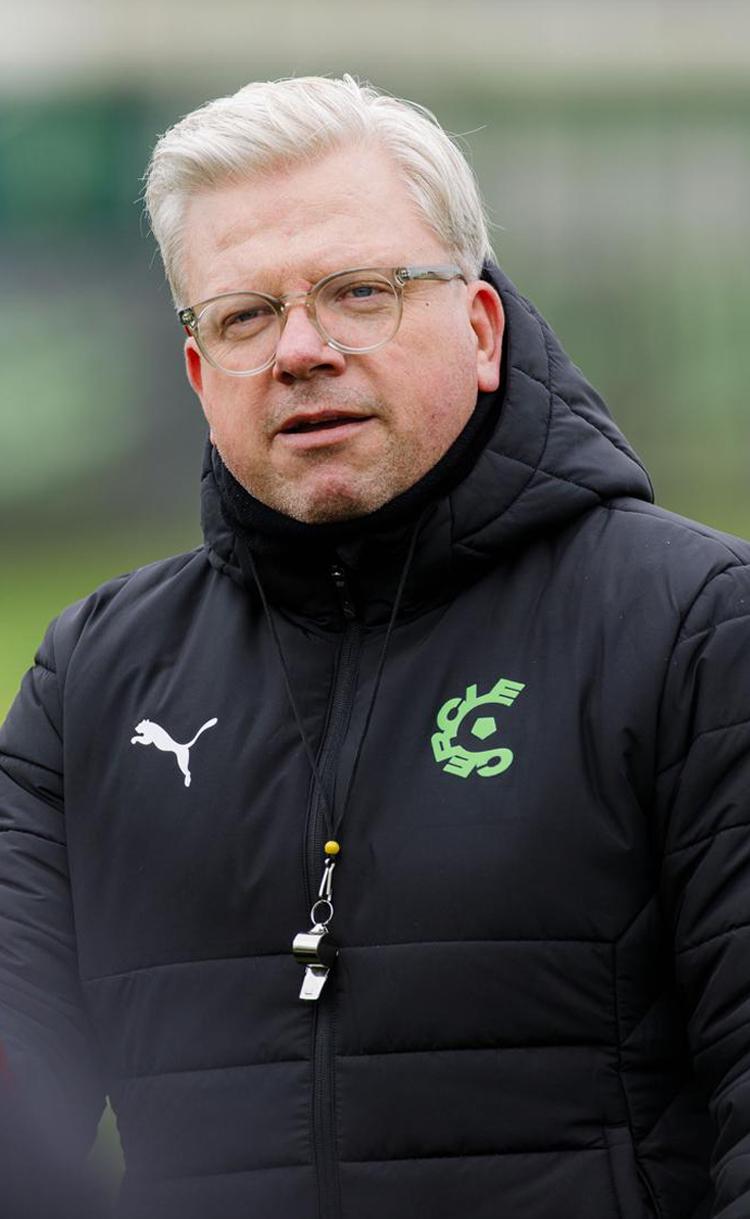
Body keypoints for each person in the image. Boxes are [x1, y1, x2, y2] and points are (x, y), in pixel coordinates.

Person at [0, 75, 748, 1219]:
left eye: (360, 292)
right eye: (244, 316)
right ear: (200, 375)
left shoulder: (694, 628)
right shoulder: (94, 681)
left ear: (481, 329)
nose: (300, 350)